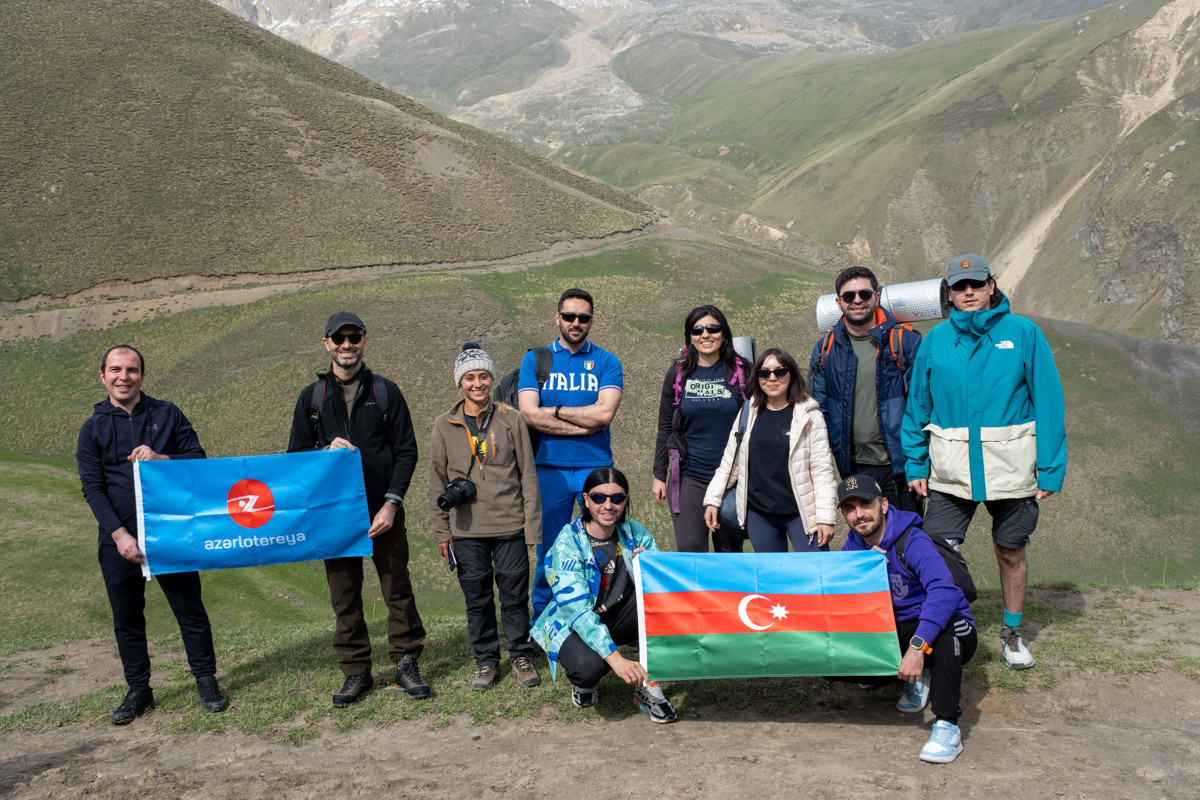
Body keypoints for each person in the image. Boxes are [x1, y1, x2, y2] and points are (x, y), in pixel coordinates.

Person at [902, 255, 1067, 669]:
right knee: (936, 553)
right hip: (950, 472)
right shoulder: (936, 341)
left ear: (992, 285)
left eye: (976, 283)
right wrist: (916, 465)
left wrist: (1050, 468)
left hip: (1010, 471)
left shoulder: (1023, 333)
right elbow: (917, 407)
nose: (969, 292)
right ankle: (939, 636)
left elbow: (1048, 402)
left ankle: (1012, 635)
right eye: (960, 287)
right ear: (950, 294)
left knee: (1010, 550)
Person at [77, 345, 228, 725]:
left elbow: (199, 459)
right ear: (103, 376)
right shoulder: (92, 429)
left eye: (131, 370)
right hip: (119, 541)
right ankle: (139, 690)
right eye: (115, 370)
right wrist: (119, 535)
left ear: (142, 375)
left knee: (189, 609)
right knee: (127, 618)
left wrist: (163, 458)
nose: (123, 376)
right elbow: (93, 488)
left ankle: (206, 681)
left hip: (171, 533)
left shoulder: (166, 413)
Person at [287, 311, 429, 707]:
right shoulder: (311, 398)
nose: (347, 345)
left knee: (396, 587)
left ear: (365, 341)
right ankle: (356, 673)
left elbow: (407, 452)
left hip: (382, 511)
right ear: (326, 343)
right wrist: (323, 451)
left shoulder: (386, 392)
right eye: (339, 338)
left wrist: (391, 504)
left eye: (354, 338)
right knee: (344, 593)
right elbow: (294, 458)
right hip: (333, 515)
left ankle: (405, 663)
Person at [838, 474, 978, 764]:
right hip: (892, 630)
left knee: (944, 630)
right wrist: (863, 574)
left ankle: (947, 724)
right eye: (850, 509)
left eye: (865, 504)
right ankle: (916, 674)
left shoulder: (913, 539)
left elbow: (944, 592)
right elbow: (841, 603)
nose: (859, 514)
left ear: (884, 504)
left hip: (941, 627)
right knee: (830, 655)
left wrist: (916, 650)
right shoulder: (851, 549)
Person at [429, 343, 542, 692]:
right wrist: (441, 532)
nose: (477, 384)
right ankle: (486, 662)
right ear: (459, 382)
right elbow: (435, 478)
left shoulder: (511, 419)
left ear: (492, 379)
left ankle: (520, 654)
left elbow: (528, 474)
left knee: (513, 597)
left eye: (484, 376)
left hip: (510, 526)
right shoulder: (444, 425)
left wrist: (532, 528)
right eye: (470, 377)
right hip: (466, 530)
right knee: (476, 600)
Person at [531, 467, 677, 723]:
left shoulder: (634, 532)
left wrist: (649, 565)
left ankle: (648, 686)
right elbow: (576, 611)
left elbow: (662, 588)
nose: (608, 505)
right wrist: (617, 659)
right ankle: (584, 685)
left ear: (626, 500)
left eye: (617, 498)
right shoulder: (567, 542)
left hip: (618, 614)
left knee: (657, 607)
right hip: (574, 623)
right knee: (589, 668)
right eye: (599, 497)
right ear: (586, 499)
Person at [518, 289, 623, 618]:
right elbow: (530, 414)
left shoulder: (607, 361)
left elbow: (605, 415)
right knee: (550, 548)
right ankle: (544, 620)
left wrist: (557, 410)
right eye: (569, 316)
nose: (576, 323)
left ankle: (606, 616)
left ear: (591, 320)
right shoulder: (535, 360)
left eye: (583, 318)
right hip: (550, 469)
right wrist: (582, 422)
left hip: (597, 469)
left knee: (604, 546)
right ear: (557, 318)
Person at [808, 266, 922, 512]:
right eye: (849, 296)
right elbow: (819, 411)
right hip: (853, 467)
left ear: (877, 297)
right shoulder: (825, 349)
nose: (857, 300)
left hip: (900, 467)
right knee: (866, 539)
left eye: (865, 294)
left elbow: (921, 406)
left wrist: (920, 463)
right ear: (838, 302)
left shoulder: (906, 342)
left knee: (909, 540)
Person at [703, 348, 837, 553]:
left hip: (801, 513)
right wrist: (713, 500)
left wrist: (826, 518)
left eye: (780, 372)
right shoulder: (747, 413)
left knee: (815, 574)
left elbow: (822, 471)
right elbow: (730, 463)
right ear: (757, 378)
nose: (772, 378)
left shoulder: (810, 416)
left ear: (791, 374)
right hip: (760, 515)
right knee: (773, 581)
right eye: (764, 373)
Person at [652, 305, 752, 552]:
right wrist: (658, 474)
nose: (705, 335)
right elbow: (665, 426)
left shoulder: (743, 371)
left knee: (729, 554)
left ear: (724, 334)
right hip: (690, 475)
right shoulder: (678, 374)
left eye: (712, 328)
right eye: (697, 330)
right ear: (690, 338)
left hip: (732, 477)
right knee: (690, 551)